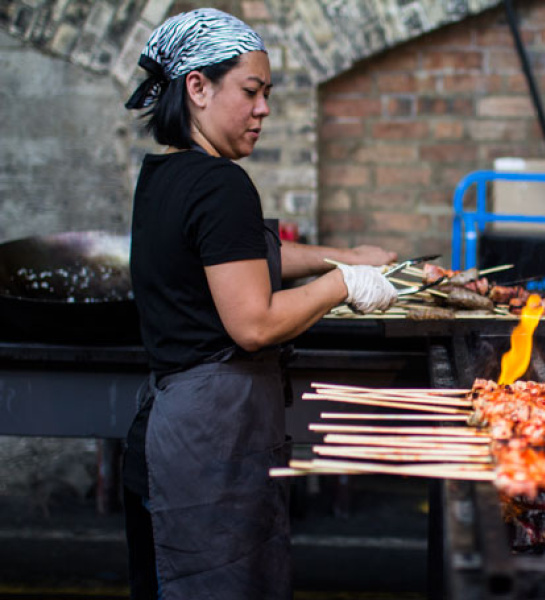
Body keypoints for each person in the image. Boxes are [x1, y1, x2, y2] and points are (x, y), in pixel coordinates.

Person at [121, 8, 399, 599]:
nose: (264, 109)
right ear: (198, 87)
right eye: (250, 92)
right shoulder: (221, 185)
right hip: (210, 446)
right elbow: (254, 323)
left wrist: (345, 255)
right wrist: (343, 285)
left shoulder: (167, 174)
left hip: (169, 433)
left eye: (266, 93)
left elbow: (238, 253)